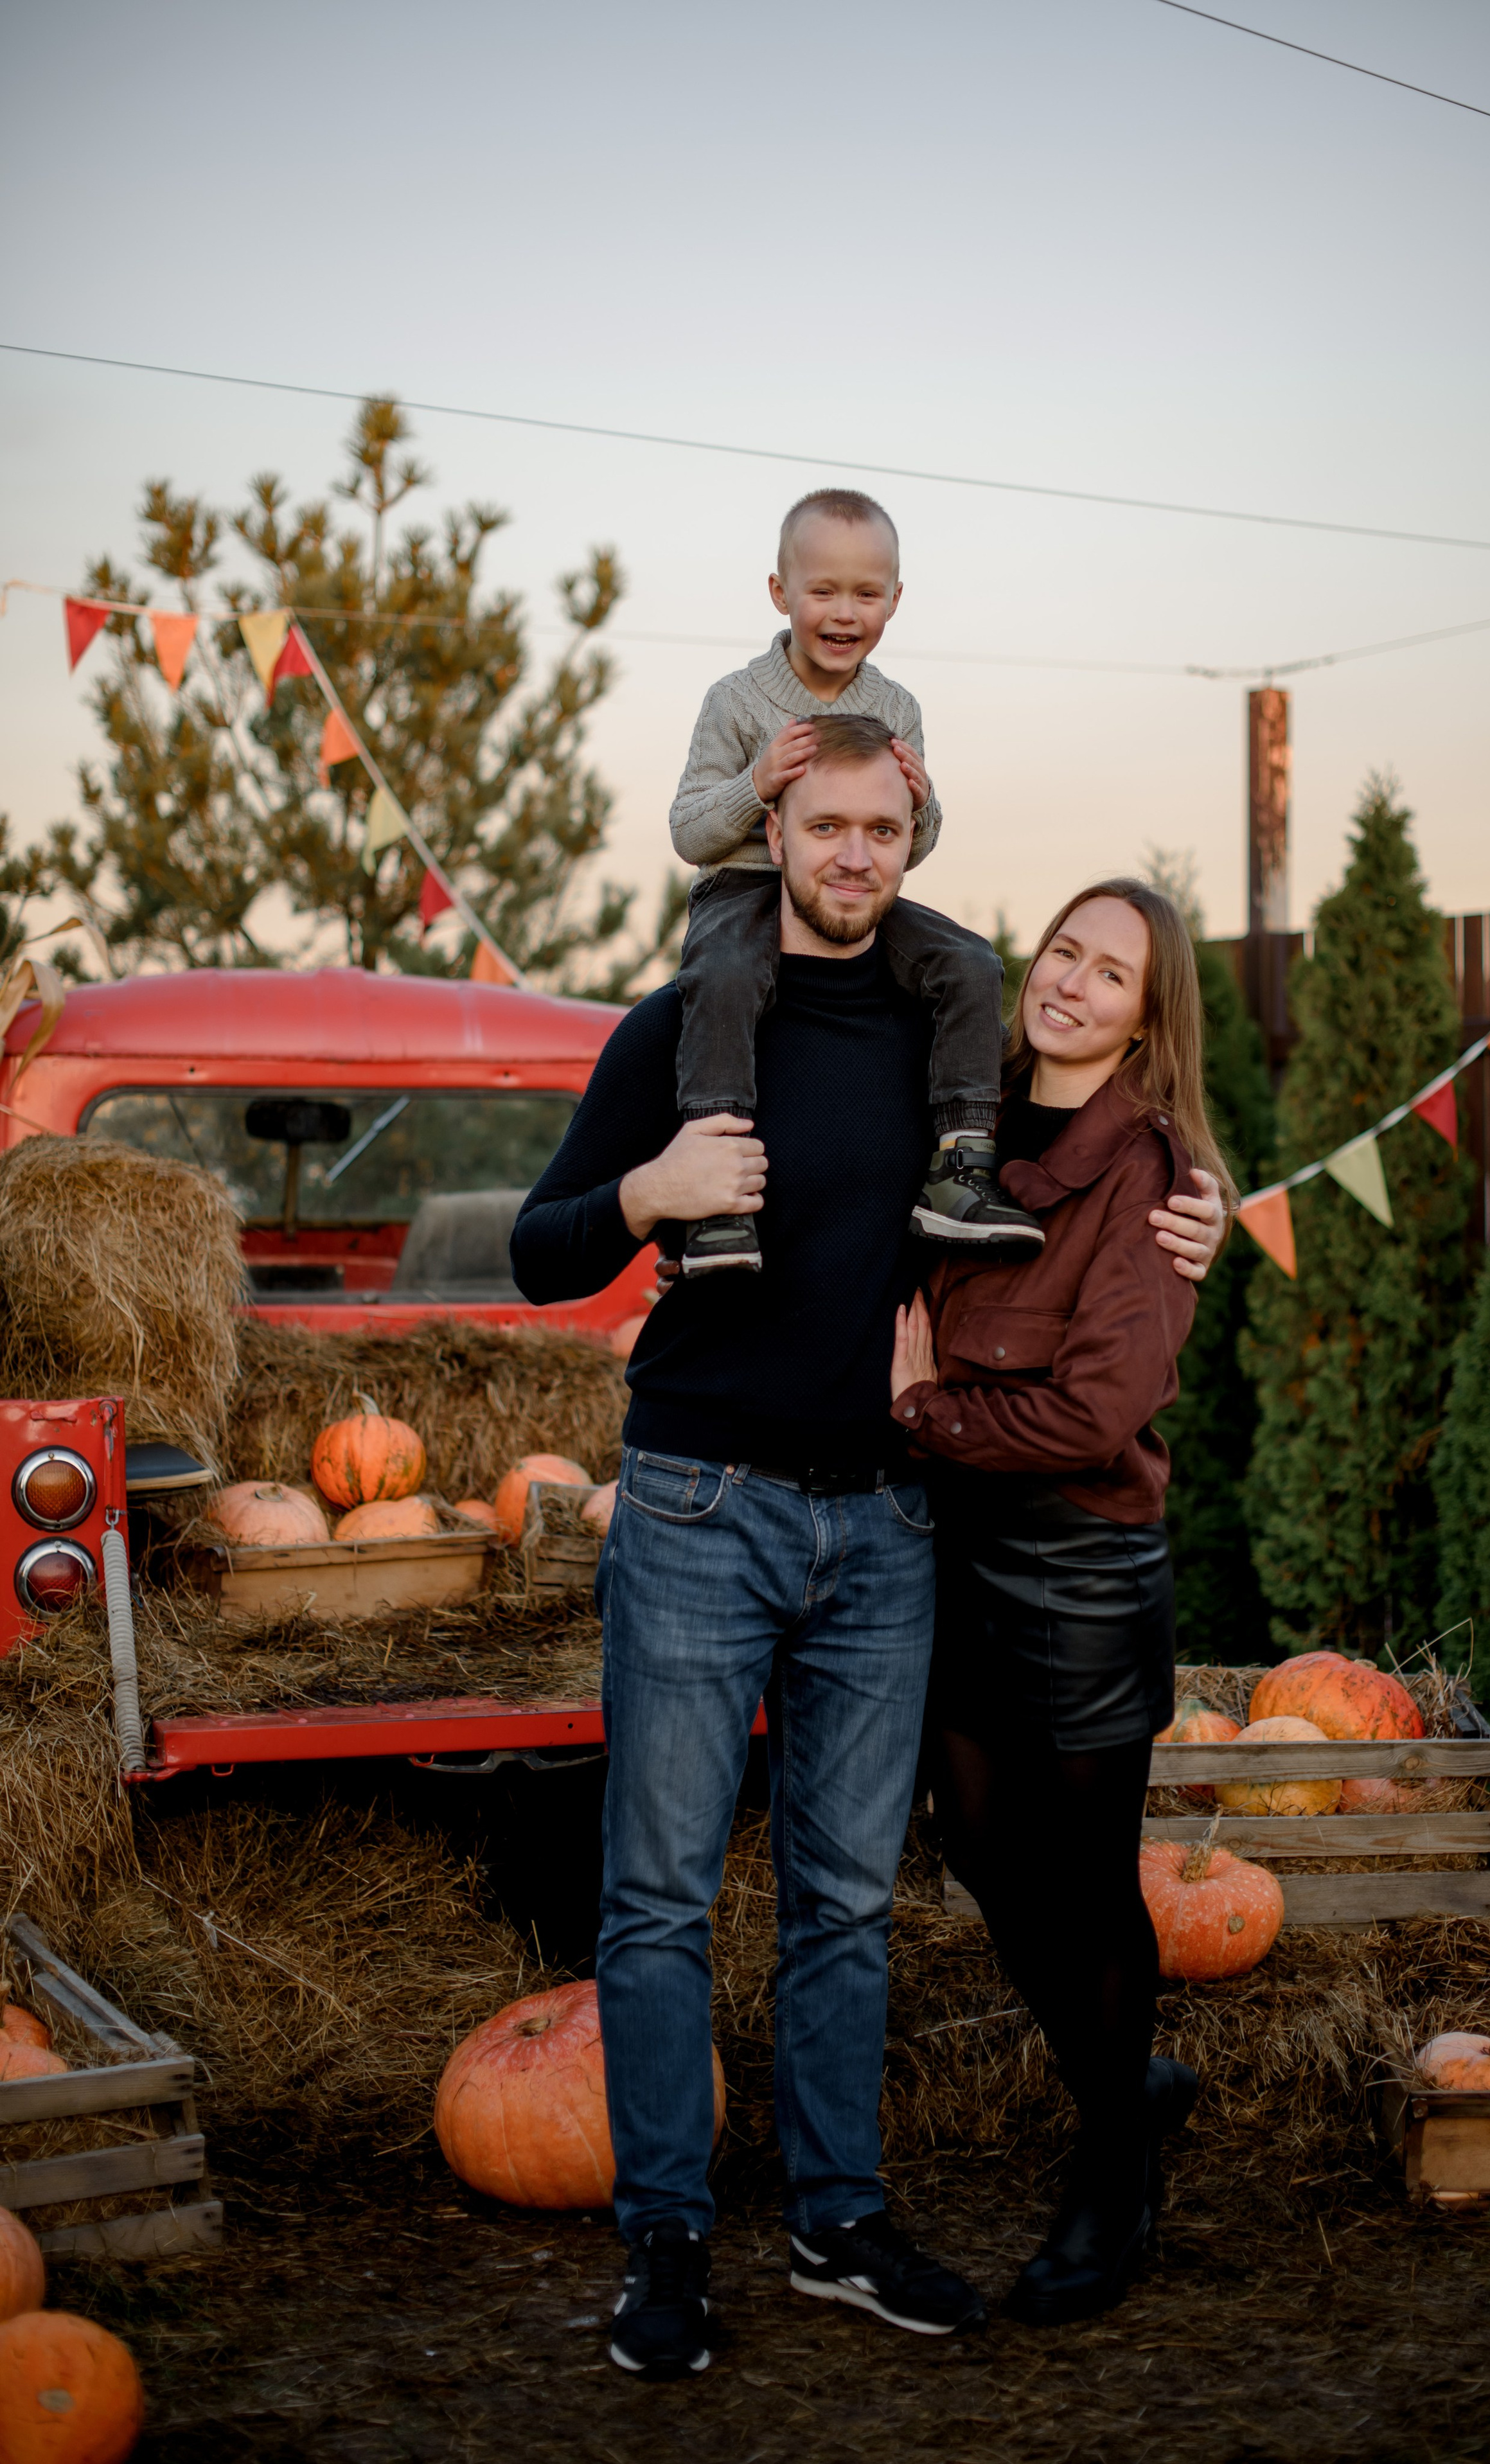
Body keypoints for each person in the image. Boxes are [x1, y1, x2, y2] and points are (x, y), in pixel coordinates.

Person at [511, 721, 1225, 2382]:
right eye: (822, 823)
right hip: (699, 1506)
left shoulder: (941, 1042)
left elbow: (1082, 1158)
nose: (850, 853)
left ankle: (839, 2220)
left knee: (844, 1899)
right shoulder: (686, 1027)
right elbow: (541, 1250)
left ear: (914, 835)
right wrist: (645, 1195)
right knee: (662, 1895)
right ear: (772, 822)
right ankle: (666, 2242)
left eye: (879, 827)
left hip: (890, 1526)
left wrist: (1200, 1191)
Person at [889, 877, 1233, 2327]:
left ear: (1149, 1018)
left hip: (1078, 1568)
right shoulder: (958, 1113)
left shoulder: (1149, 1175)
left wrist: (921, 1407)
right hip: (950, 1545)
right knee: (973, 1839)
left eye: (1112, 974)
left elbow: (1097, 1414)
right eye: (1063, 953)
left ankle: (1111, 2171)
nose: (1072, 984)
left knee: (1085, 1887)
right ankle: (1129, 2077)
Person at [667, 486, 1041, 1274]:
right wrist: (757, 784)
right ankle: (717, 1189)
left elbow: (910, 844)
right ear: (780, 592)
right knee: (726, 971)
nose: (844, 612)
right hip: (743, 890)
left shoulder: (896, 708)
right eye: (823, 590)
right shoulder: (736, 702)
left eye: (866, 593)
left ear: (895, 599)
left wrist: (924, 800)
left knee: (971, 961)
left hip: (859, 894)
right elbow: (689, 833)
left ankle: (958, 1163)